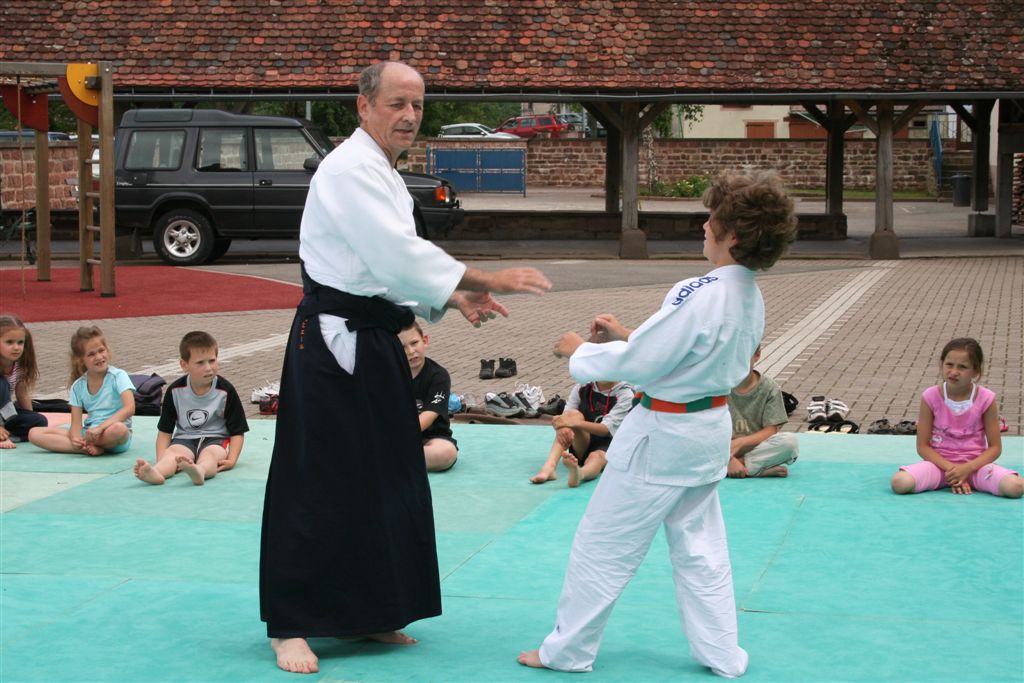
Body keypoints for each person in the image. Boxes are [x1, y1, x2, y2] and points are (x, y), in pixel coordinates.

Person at [259, 60, 551, 675]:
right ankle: (290, 622)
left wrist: (450, 296)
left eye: (417, 105)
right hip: (335, 344)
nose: (410, 116)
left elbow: (391, 271)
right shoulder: (347, 169)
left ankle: (370, 609)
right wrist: (479, 276)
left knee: (385, 477)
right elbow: (396, 255)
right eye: (397, 103)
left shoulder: (382, 172)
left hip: (375, 340)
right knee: (318, 480)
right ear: (363, 106)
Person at [519, 170, 797, 678]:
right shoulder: (750, 295)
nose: (704, 228)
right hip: (707, 429)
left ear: (732, 233)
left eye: (711, 220)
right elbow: (678, 354)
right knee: (701, 550)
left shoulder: (701, 290)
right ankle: (723, 655)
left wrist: (580, 353)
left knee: (603, 546)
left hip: (663, 437)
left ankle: (567, 652)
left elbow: (645, 362)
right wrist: (622, 338)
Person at [890, 338, 1021, 498]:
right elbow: (923, 446)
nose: (954, 371)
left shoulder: (986, 398)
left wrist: (966, 469)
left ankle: (972, 481)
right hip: (939, 467)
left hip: (976, 468)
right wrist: (952, 470)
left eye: (963, 367)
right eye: (949, 364)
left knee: (1015, 487)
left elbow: (995, 448)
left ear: (976, 371)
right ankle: (951, 479)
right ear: (941, 364)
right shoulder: (930, 396)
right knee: (900, 482)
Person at [134, 331, 249, 486]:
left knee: (210, 456)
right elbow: (165, 432)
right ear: (184, 365)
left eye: (212, 360)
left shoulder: (226, 391)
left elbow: (237, 431)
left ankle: (200, 471)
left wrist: (232, 459)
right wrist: (161, 458)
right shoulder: (175, 391)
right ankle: (157, 472)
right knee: (172, 454)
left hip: (216, 440)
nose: (208, 368)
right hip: (184, 438)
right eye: (200, 363)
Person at [28, 326, 134, 456]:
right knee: (34, 433)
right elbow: (76, 425)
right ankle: (86, 448)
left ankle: (95, 446)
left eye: (101, 351)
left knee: (119, 429)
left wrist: (101, 428)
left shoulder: (118, 376)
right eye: (91, 354)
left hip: (113, 435)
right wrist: (75, 439)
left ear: (107, 350)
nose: (99, 357)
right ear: (80, 360)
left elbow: (129, 408)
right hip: (89, 433)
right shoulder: (78, 386)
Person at [529, 375, 634, 488]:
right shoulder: (582, 387)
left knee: (597, 457)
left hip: (609, 444)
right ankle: (549, 466)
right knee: (572, 415)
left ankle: (580, 473)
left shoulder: (625, 394)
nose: (603, 371)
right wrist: (562, 426)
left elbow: (605, 430)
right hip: (582, 441)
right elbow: (565, 417)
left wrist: (574, 423)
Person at [727, 346, 799, 479]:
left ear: (757, 355)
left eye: (743, 356)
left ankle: (739, 467)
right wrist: (728, 458)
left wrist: (741, 442)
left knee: (790, 442)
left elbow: (771, 430)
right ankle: (754, 469)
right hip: (722, 449)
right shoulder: (719, 386)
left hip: (755, 450)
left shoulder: (769, 388)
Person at [398, 320, 458, 472]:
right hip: (393, 437)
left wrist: (399, 436)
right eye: (402, 347)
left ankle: (388, 461)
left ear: (425, 341)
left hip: (431, 439)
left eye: (414, 343)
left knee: (446, 453)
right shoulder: (387, 375)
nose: (410, 351)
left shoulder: (439, 376)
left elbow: (428, 416)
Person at [0, 314, 47, 448]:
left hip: (4, 414)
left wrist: (29, 414)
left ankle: (9, 436)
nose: (16, 347)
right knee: (2, 383)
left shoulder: (19, 365)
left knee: (39, 422)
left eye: (20, 342)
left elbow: (22, 392)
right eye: (9, 342)